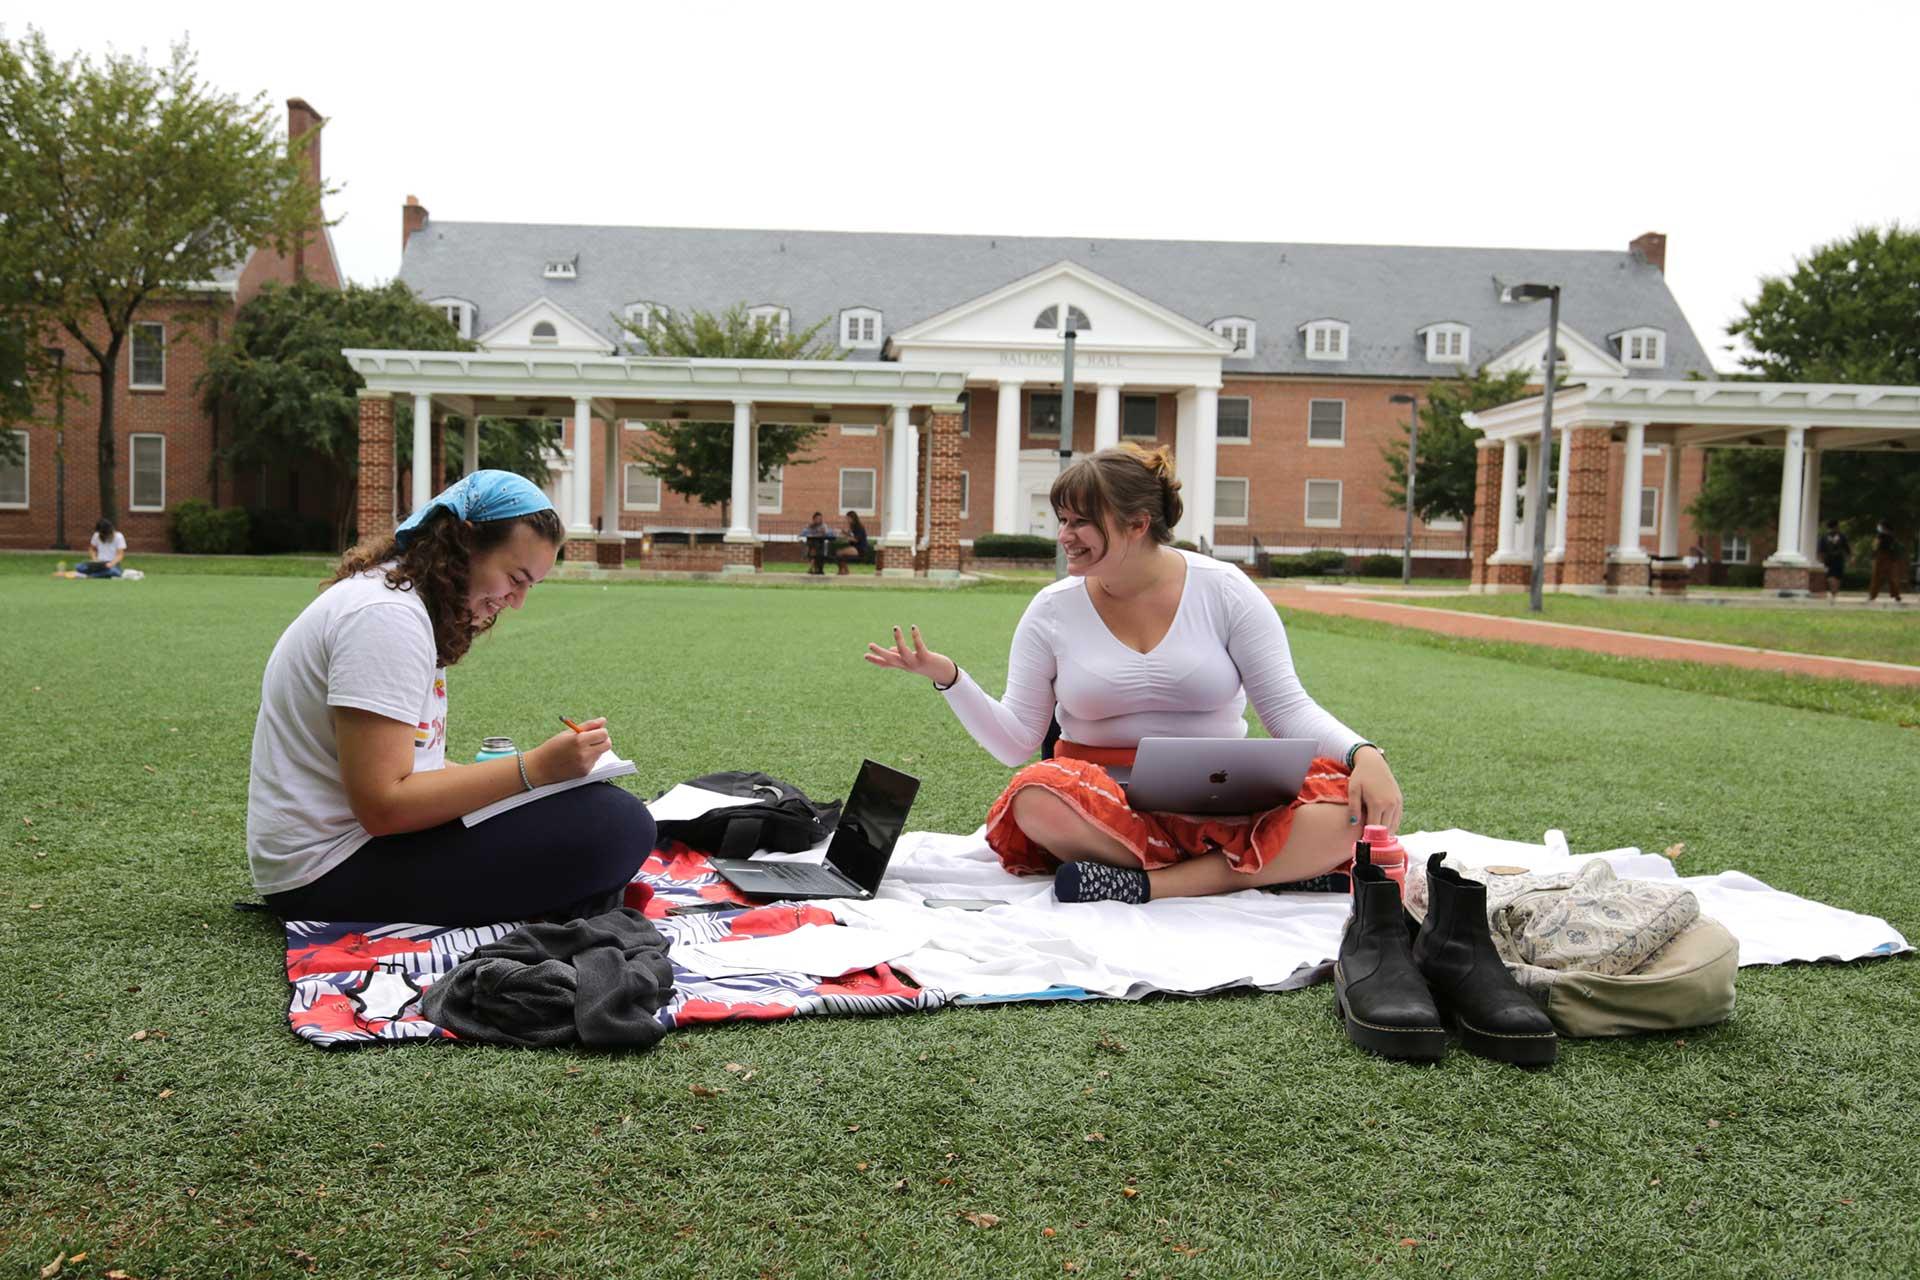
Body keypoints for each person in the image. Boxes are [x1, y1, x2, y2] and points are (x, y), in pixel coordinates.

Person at [864, 444, 1402, 905]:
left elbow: (1287, 708)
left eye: (1080, 522)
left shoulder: (1225, 590)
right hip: (1103, 803)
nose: (1063, 536)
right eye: (1063, 520)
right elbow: (1016, 744)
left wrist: (1365, 754)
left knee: (1350, 811)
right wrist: (949, 677)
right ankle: (1260, 869)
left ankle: (1151, 885)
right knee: (1035, 795)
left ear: (1137, 525)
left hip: (1229, 794)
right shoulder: (1052, 608)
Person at [247, 470, 655, 926]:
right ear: (464, 544)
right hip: (325, 873)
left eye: (528, 587)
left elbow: (409, 770)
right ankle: (575, 898)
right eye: (514, 578)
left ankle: (574, 895)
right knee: (617, 825)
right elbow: (383, 805)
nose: (515, 601)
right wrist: (534, 769)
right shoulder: (385, 618)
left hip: (351, 849)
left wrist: (545, 783)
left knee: (592, 810)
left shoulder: (402, 604)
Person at [1867, 520, 1905, 603]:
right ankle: (1896, 595)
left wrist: (1872, 555)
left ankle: (1872, 595)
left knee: (1877, 577)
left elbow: (1875, 546)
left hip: (1881, 558)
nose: (1878, 528)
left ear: (1883, 527)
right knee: (1892, 578)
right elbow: (1896, 549)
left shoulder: (1880, 536)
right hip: (1891, 559)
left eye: (1880, 526)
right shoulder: (1892, 536)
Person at [1815, 520, 1851, 604]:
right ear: (1835, 526)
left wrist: (1849, 557)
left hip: (1835, 559)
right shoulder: (1827, 537)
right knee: (1832, 576)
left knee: (1836, 576)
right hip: (1832, 559)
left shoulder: (1838, 536)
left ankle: (1834, 592)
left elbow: (1847, 548)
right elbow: (1820, 549)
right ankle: (1834, 591)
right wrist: (1821, 559)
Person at [835, 510, 871, 575]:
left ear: (852, 518)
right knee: (839, 553)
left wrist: (846, 537)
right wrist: (844, 533)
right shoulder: (852, 526)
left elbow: (856, 539)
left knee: (839, 553)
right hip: (854, 547)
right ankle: (844, 571)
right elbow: (850, 535)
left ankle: (844, 571)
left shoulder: (859, 527)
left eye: (848, 518)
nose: (847, 520)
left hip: (860, 548)